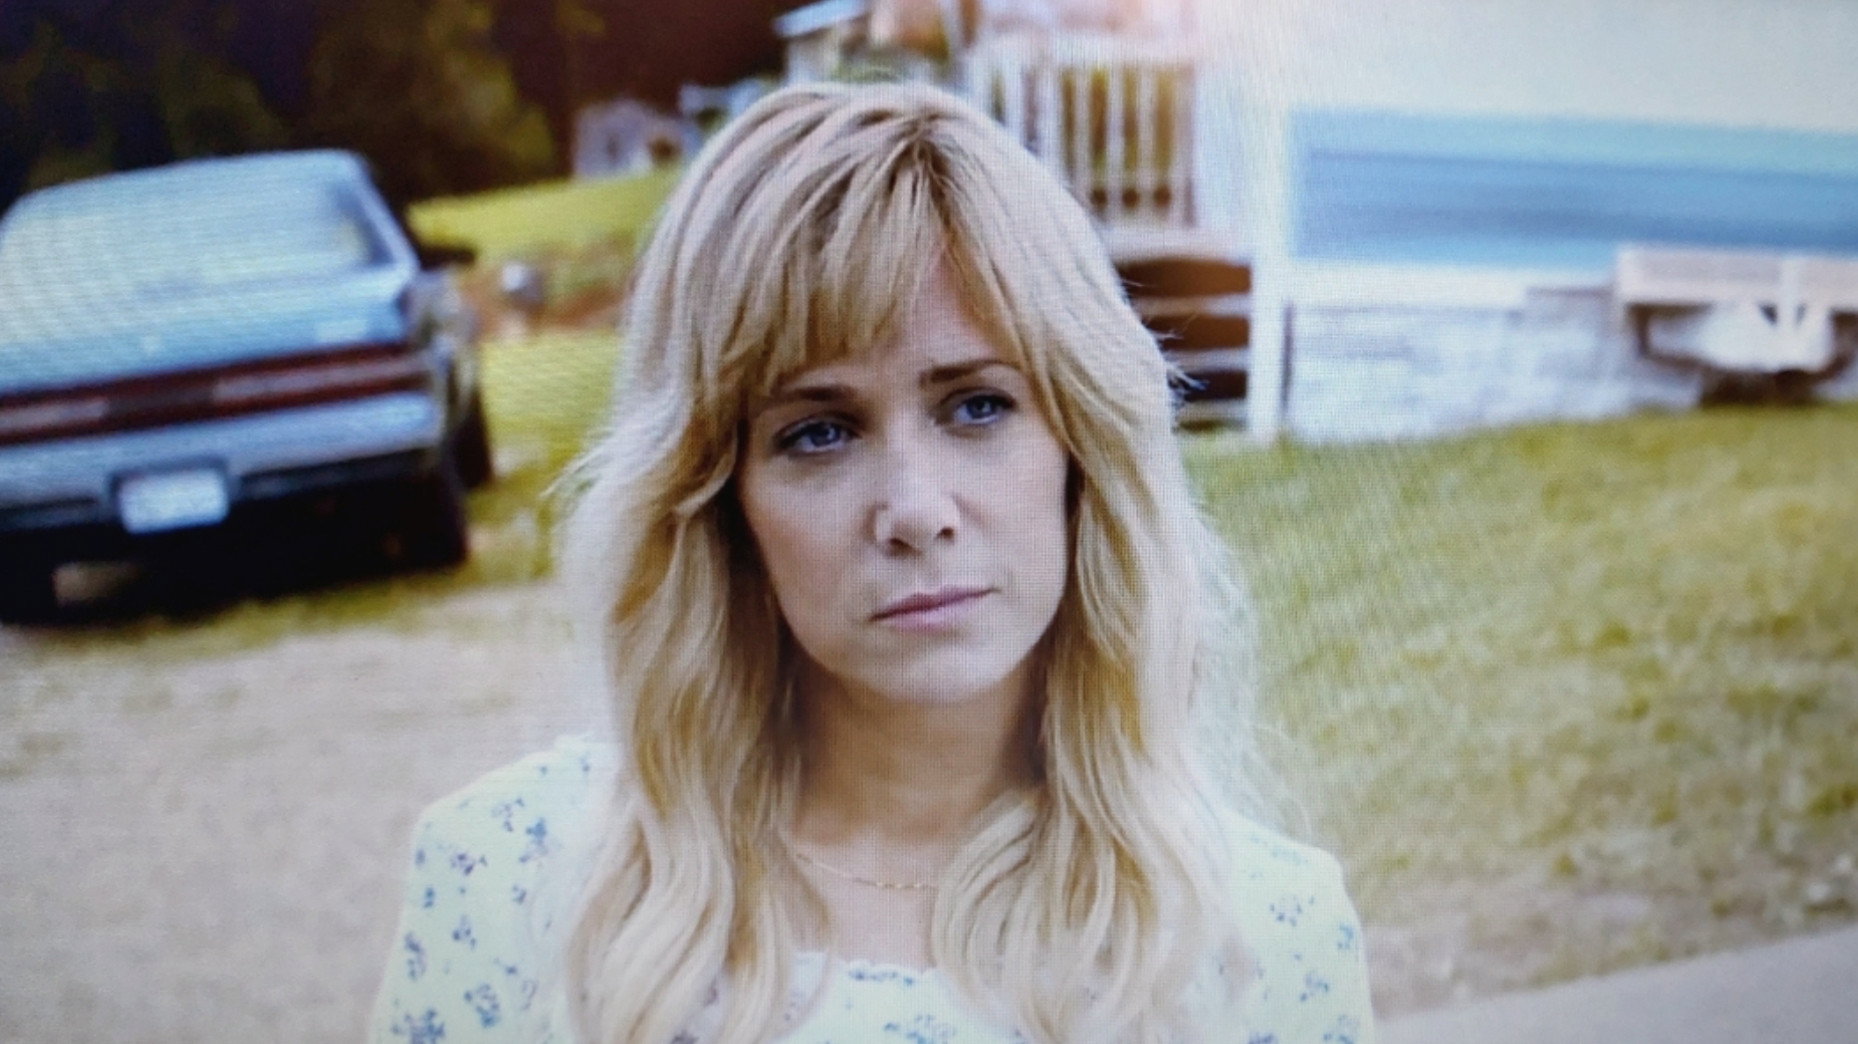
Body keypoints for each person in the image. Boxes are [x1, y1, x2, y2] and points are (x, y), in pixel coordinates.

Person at [369, 81, 1375, 1043]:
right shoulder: (511, 884)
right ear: (720, 503)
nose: (915, 511)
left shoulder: (1264, 940)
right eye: (819, 432)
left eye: (976, 406)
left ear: (1082, 448)